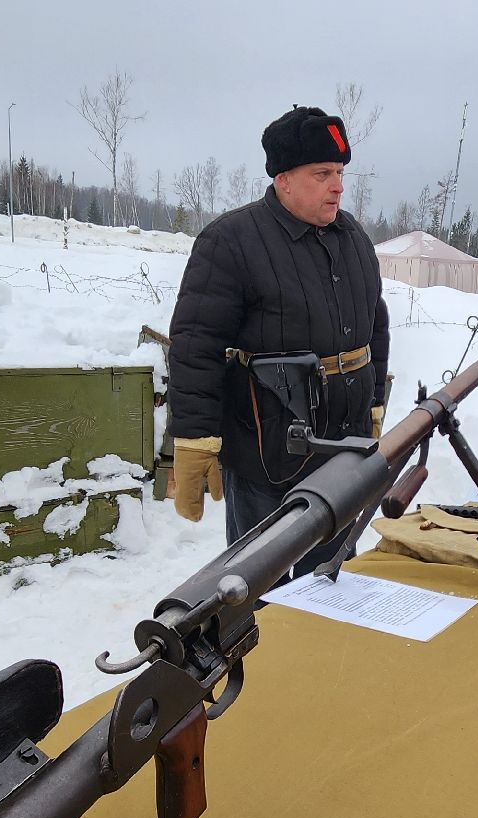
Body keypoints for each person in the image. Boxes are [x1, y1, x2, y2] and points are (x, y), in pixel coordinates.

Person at [166, 106, 390, 577]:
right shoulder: (231, 241)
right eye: (323, 173)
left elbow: (375, 325)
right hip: (265, 449)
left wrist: (373, 404)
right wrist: (195, 438)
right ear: (283, 179)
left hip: (342, 448)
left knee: (329, 575)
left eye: (340, 173)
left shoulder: (354, 241)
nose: (338, 185)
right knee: (255, 577)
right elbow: (195, 344)